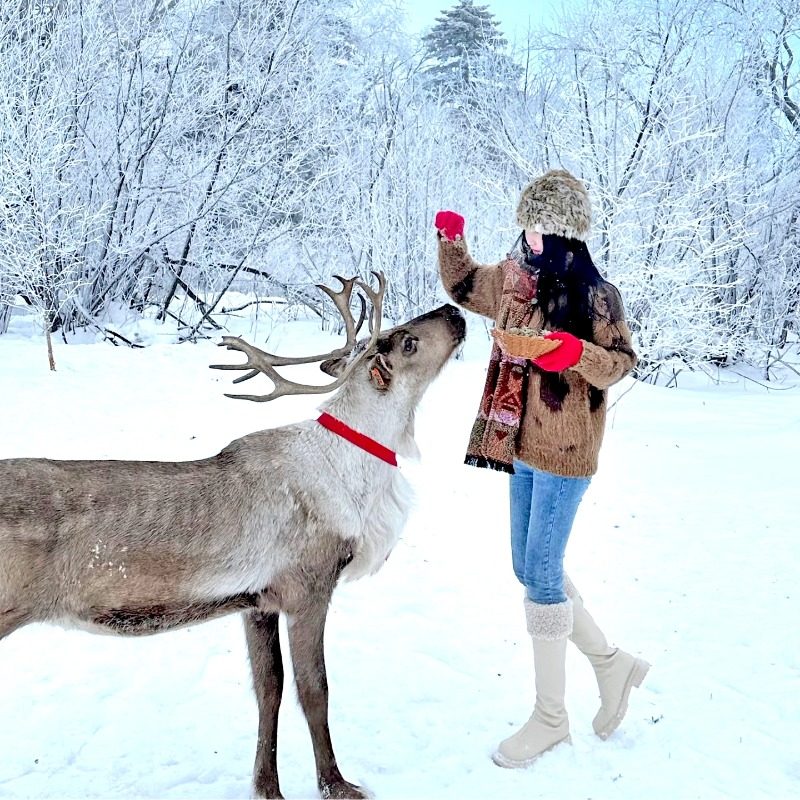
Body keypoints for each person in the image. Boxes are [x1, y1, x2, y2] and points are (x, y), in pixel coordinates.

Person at [434, 169, 649, 768]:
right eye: (525, 225)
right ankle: (612, 665)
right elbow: (464, 286)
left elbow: (622, 362)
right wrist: (451, 239)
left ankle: (551, 718)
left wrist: (577, 352)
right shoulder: (514, 279)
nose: (526, 237)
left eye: (537, 228)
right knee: (525, 567)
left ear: (563, 234)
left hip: (569, 449)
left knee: (544, 576)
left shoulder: (596, 295)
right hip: (522, 446)